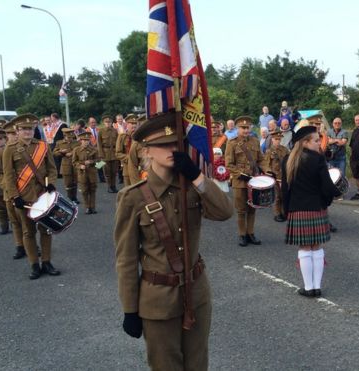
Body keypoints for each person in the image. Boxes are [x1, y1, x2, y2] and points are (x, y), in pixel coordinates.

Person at [114, 111, 233, 371]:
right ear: (147, 151)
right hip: (158, 300)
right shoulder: (132, 198)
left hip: (197, 292)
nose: (172, 149)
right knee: (166, 366)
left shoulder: (192, 186)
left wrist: (197, 177)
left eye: (176, 144)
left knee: (197, 363)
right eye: (163, 145)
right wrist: (130, 309)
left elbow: (224, 212)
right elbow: (126, 259)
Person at [281, 123, 340, 297]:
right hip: (316, 208)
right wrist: (331, 197)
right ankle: (317, 287)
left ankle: (308, 288)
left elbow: (285, 190)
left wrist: (287, 211)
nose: (318, 143)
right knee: (316, 247)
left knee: (305, 248)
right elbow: (327, 186)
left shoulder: (288, 160)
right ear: (305, 142)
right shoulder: (318, 159)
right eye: (315, 140)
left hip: (297, 209)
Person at [2, 114, 60, 279]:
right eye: (24, 129)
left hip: (43, 195)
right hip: (24, 197)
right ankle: (34, 264)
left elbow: (51, 169)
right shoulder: (10, 149)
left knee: (46, 229)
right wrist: (15, 196)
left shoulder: (42, 145)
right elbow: (8, 176)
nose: (28, 131)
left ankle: (47, 262)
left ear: (34, 130)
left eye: (30, 128)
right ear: (18, 131)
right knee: (28, 232)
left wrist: (52, 183)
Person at [225, 116, 269, 246]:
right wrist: (240, 174)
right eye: (243, 128)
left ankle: (251, 233)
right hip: (239, 182)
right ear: (238, 128)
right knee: (241, 209)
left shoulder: (255, 141)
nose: (245, 130)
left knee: (252, 208)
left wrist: (267, 170)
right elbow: (229, 163)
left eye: (247, 127)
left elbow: (261, 159)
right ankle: (242, 234)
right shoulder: (231, 143)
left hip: (254, 181)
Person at [0, 121, 26, 259]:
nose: (12, 136)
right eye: (9, 134)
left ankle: (31, 244)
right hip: (10, 192)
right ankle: (20, 246)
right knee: (15, 221)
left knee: (27, 221)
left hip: (26, 190)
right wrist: (7, 186)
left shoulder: (24, 149)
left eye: (14, 133)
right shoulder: (1, 152)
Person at [73, 132, 101, 214]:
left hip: (92, 173)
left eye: (87, 140)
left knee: (93, 190)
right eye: (84, 140)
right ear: (81, 140)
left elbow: (100, 161)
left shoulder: (94, 150)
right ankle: (87, 207)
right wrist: (80, 166)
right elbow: (74, 162)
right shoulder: (77, 150)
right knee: (84, 191)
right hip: (82, 173)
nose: (86, 142)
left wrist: (91, 162)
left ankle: (93, 207)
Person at [52, 128, 80, 203]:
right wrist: (62, 152)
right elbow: (54, 152)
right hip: (65, 165)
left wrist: (73, 153)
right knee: (68, 183)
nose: (70, 139)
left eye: (71, 137)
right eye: (68, 137)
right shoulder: (59, 143)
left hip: (75, 165)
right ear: (64, 136)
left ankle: (74, 197)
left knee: (75, 182)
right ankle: (69, 198)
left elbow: (80, 151)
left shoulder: (77, 143)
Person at [267, 129, 289, 222]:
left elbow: (289, 160)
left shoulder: (284, 149)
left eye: (279, 139)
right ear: (272, 139)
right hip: (275, 176)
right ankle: (277, 213)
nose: (278, 141)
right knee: (277, 196)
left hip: (284, 175)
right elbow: (266, 164)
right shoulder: (269, 151)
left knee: (284, 195)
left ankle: (284, 212)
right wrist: (269, 175)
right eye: (276, 139)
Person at [98, 115, 120, 193]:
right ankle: (109, 186)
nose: (108, 123)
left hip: (114, 153)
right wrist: (101, 155)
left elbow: (118, 142)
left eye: (109, 122)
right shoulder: (101, 131)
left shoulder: (115, 131)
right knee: (107, 172)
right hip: (105, 153)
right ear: (104, 123)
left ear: (111, 123)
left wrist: (118, 153)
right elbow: (99, 144)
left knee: (114, 172)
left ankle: (114, 186)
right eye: (106, 122)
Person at [116, 115, 138, 187]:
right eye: (132, 124)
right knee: (129, 191)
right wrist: (130, 158)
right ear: (127, 125)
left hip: (139, 169)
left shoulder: (139, 137)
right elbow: (118, 153)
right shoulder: (122, 137)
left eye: (135, 124)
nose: (134, 126)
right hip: (127, 168)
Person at [327, 117, 349, 188]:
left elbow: (342, 143)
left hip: (341, 158)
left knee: (341, 175)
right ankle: (333, 192)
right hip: (331, 158)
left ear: (341, 124)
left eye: (339, 123)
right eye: (335, 123)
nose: (337, 124)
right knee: (331, 175)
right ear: (332, 124)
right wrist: (337, 140)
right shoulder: (329, 131)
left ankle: (341, 192)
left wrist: (332, 140)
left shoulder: (344, 132)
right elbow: (327, 142)